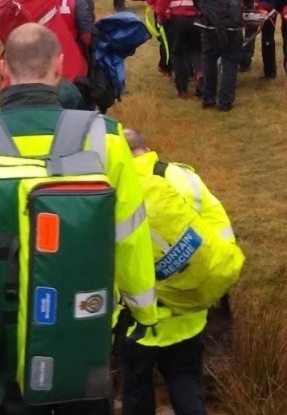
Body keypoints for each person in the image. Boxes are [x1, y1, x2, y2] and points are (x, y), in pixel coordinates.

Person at [0, 23, 158, 413]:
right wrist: (143, 312)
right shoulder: (106, 139)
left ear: (3, 69)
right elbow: (129, 237)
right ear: (60, 68)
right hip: (81, 331)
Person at [120, 128, 240, 415]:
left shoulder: (114, 189)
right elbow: (222, 232)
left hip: (137, 319)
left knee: (136, 388)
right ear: (147, 149)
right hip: (188, 312)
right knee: (186, 380)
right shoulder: (181, 177)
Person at [191, 0, 255, 112]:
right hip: (232, 21)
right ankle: (225, 101)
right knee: (230, 59)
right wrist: (247, 9)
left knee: (209, 58)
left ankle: (208, 97)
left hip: (207, 23)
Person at [155, 0, 202, 99]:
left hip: (177, 19)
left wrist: (160, 14)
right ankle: (200, 73)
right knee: (197, 49)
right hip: (197, 16)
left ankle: (182, 89)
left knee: (178, 52)